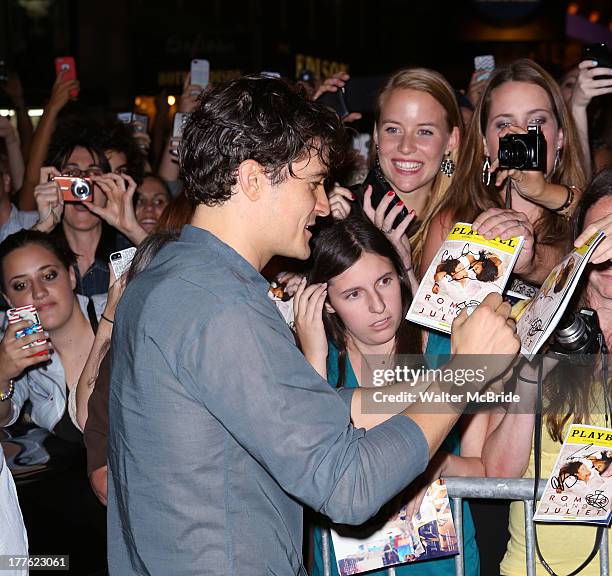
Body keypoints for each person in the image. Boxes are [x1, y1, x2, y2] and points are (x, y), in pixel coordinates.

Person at [107, 75, 519, 575]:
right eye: (313, 183)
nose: (323, 205)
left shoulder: (170, 276)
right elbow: (348, 487)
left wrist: (421, 388)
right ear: (254, 179)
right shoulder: (219, 305)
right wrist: (463, 373)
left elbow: (298, 408)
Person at [295, 216, 489, 576]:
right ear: (327, 302)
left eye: (384, 282)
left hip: (443, 566)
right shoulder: (316, 361)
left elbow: (483, 467)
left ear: (399, 276)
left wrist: (439, 465)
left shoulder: (447, 349)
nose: (378, 305)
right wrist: (312, 359)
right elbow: (306, 456)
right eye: (353, 293)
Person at [482, 167, 612, 575]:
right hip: (532, 568)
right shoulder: (535, 320)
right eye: (598, 238)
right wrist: (531, 376)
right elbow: (497, 474)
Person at [326, 68, 462, 270]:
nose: (406, 146)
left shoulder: (469, 222)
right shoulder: (339, 214)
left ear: (451, 140)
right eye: (393, 129)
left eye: (424, 131)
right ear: (376, 134)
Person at [0, 230, 107, 438]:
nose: (38, 292)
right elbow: (4, 417)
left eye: (49, 276)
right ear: (9, 300)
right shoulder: (14, 351)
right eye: (21, 285)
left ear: (71, 276)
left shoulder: (118, 311)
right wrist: (1, 376)